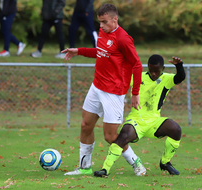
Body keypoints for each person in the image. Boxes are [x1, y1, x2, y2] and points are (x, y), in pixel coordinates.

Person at [61, 4, 146, 176]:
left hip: (114, 92)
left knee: (110, 136)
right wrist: (79, 51)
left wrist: (135, 93)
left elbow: (137, 64)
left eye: (104, 22)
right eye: (99, 22)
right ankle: (84, 167)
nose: (101, 26)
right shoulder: (103, 32)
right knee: (85, 125)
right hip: (97, 86)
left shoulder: (123, 39)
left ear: (115, 19)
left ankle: (136, 162)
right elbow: (101, 51)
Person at [94, 55, 186, 177]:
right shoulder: (138, 77)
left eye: (156, 71)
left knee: (176, 129)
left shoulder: (166, 79)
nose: (153, 74)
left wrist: (179, 66)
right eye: (151, 70)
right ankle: (105, 169)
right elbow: (121, 81)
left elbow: (180, 77)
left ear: (163, 68)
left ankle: (165, 162)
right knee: (123, 136)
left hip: (154, 121)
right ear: (147, 67)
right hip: (136, 120)